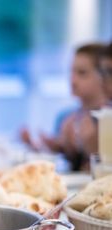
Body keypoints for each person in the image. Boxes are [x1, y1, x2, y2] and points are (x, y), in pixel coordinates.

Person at [20, 43, 108, 171]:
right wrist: (47, 147)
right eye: (71, 72)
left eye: (82, 73)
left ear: (104, 77)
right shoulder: (67, 118)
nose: (72, 80)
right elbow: (66, 163)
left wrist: (91, 148)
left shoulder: (106, 121)